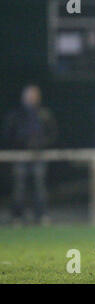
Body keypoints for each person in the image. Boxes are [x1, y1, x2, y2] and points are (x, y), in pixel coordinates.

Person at [2, 84, 58, 225]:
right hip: (20, 155)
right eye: (29, 95)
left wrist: (41, 144)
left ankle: (41, 215)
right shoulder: (15, 116)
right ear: (23, 97)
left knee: (40, 188)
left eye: (34, 95)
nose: (31, 98)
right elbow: (8, 135)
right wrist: (21, 144)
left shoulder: (45, 114)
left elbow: (53, 135)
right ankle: (17, 217)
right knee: (19, 188)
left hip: (39, 156)